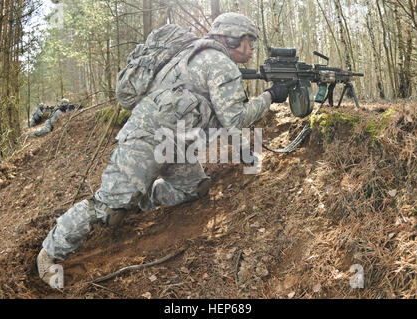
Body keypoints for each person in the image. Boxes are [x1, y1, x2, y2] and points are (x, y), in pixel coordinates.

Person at [36, 13, 293, 286]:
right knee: (107, 210)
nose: (252, 47)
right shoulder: (218, 62)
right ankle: (49, 253)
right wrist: (270, 96)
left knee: (193, 188)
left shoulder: (198, 54)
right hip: (146, 140)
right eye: (248, 40)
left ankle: (142, 196)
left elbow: (224, 117)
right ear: (231, 38)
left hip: (174, 145)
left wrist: (245, 151)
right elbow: (235, 119)